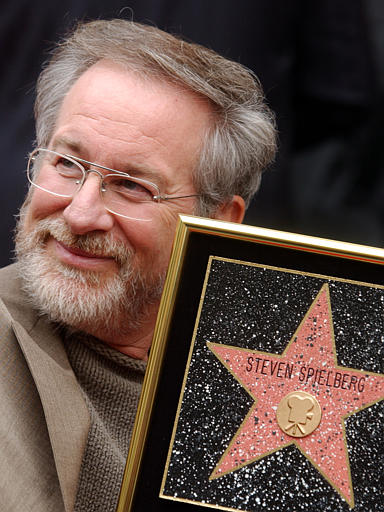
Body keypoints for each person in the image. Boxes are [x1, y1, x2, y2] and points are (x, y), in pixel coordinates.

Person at [0, 19, 276, 512]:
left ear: (221, 222)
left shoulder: (282, 384)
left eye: (132, 185)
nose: (81, 213)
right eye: (66, 164)